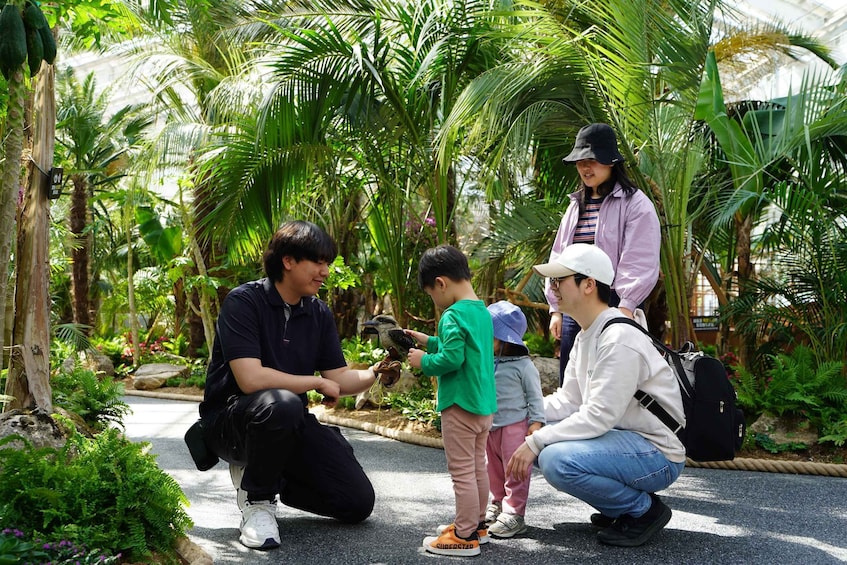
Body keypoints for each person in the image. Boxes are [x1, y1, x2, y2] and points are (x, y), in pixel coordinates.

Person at [197, 220, 385, 550]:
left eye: (327, 263)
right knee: (281, 403)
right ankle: (257, 502)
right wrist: (314, 382)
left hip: (287, 421)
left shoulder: (318, 313)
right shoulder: (243, 302)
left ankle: (269, 473)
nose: (325, 271)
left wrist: (377, 372)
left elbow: (338, 378)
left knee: (356, 502)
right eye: (318, 262)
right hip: (231, 423)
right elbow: (250, 378)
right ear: (288, 261)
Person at [507, 243, 685, 548]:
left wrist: (535, 440)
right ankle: (619, 505)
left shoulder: (619, 338)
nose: (552, 288)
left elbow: (598, 416)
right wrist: (518, 412)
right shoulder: (587, 334)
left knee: (554, 458)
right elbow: (569, 402)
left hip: (657, 454)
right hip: (623, 442)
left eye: (559, 280)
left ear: (588, 284)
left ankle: (642, 511)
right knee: (527, 432)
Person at [546, 123, 660, 385]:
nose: (586, 168)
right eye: (580, 161)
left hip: (616, 306)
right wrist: (556, 309)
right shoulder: (575, 206)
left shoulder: (636, 204)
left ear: (611, 162)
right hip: (576, 308)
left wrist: (625, 308)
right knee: (573, 383)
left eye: (593, 161)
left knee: (613, 383)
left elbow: (640, 260)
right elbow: (559, 258)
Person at [405, 244, 497, 557]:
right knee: (477, 468)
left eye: (432, 294)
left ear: (441, 283)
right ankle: (478, 525)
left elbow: (452, 358)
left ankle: (464, 535)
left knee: (461, 473)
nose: (435, 300)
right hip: (482, 406)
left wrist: (423, 361)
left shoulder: (452, 314)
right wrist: (425, 340)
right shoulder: (481, 311)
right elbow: (464, 348)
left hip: (459, 405)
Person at [484, 300, 546, 539]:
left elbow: (535, 395)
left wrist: (536, 422)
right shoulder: (487, 361)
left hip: (514, 426)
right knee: (493, 469)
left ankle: (514, 513)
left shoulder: (524, 366)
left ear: (504, 340)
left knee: (515, 470)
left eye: (490, 335)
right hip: (489, 426)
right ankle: (497, 502)